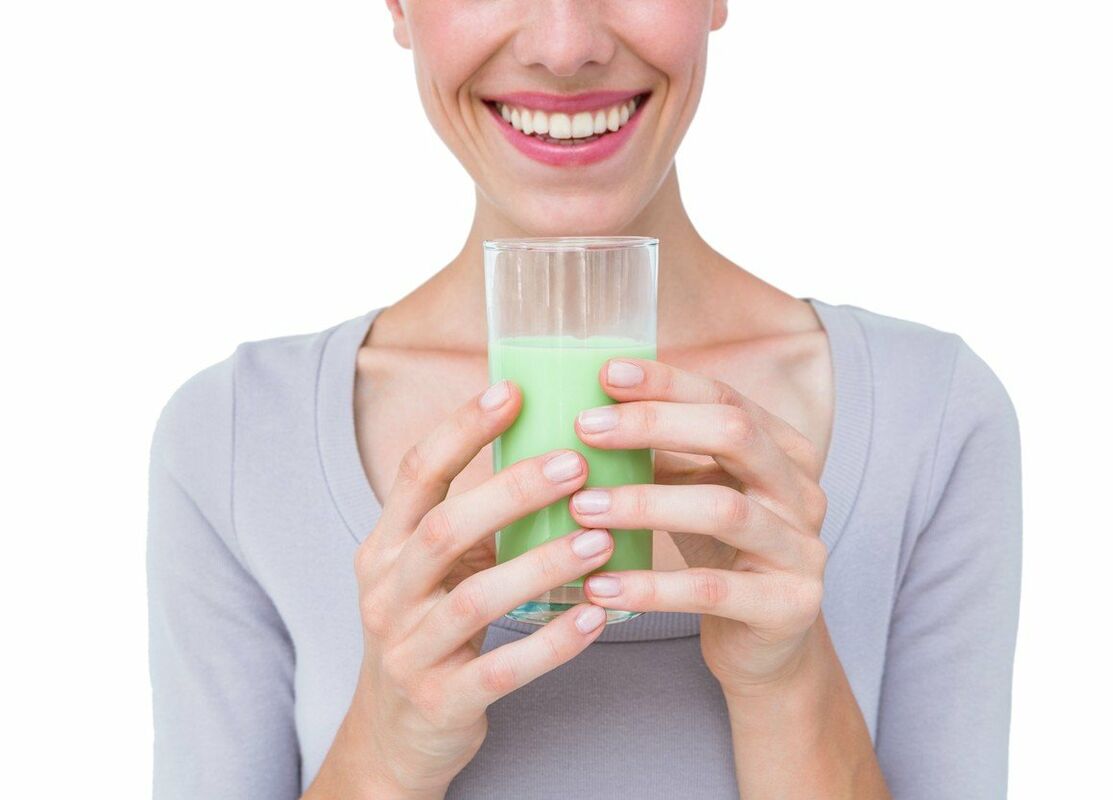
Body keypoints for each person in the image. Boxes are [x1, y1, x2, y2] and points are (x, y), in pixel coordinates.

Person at [146, 2, 1022, 798]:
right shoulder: (236, 436)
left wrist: (788, 687)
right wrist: (384, 754)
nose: (565, 48)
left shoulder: (930, 415)